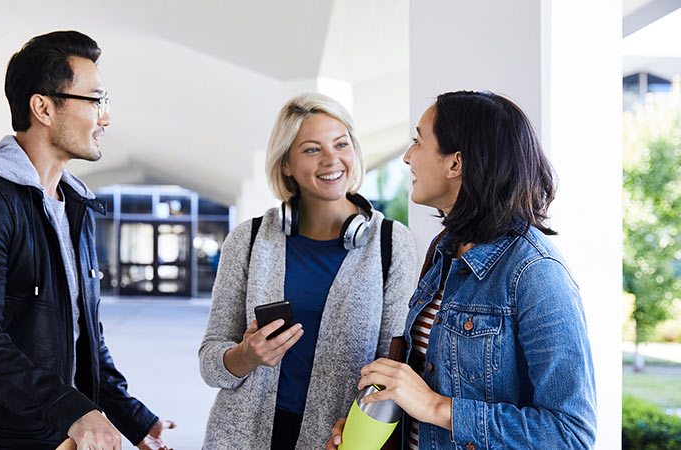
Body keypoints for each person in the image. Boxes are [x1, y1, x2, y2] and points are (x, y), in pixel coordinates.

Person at [0, 31, 175, 450]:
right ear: (43, 107)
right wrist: (72, 410)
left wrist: (133, 418)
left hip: (58, 437)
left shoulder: (75, 204)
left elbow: (83, 336)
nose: (106, 118)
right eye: (96, 101)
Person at [326, 90, 597, 450]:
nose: (407, 157)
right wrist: (372, 429)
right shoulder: (444, 251)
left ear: (456, 164)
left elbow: (571, 433)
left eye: (418, 142)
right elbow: (425, 388)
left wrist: (436, 407)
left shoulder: (536, 273)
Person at [199, 93, 418, 450]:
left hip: (340, 441)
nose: (332, 160)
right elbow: (210, 362)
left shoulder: (392, 245)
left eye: (341, 144)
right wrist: (246, 355)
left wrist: (359, 442)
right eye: (312, 149)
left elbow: (391, 371)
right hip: (240, 438)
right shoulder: (249, 240)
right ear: (286, 164)